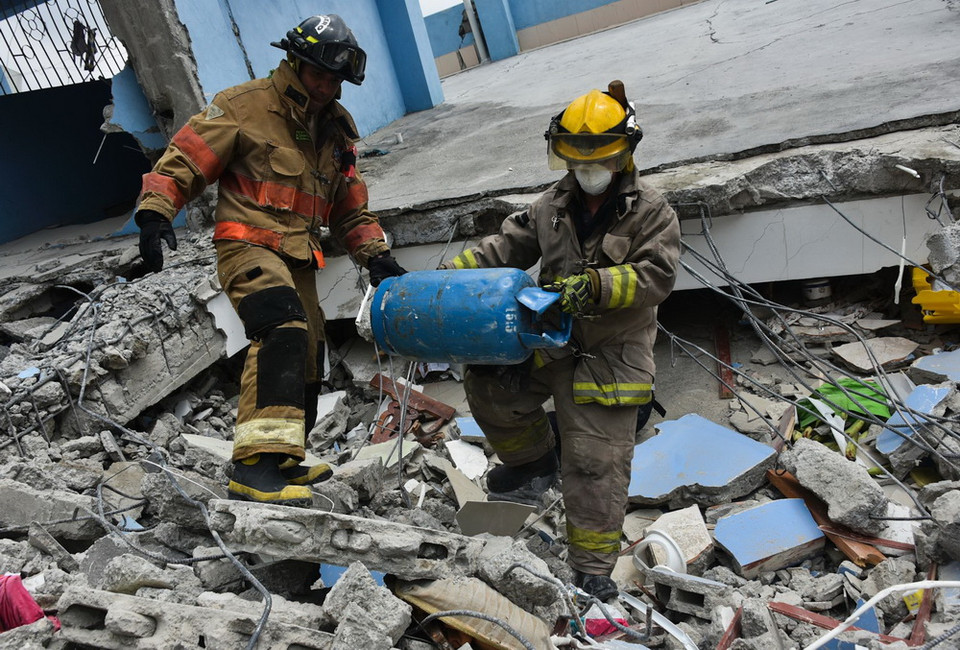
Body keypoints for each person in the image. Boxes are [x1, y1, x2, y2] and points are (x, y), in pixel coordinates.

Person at [134, 14, 406, 507]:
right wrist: (155, 211)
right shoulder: (244, 107)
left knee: (307, 351)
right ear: (295, 62)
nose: (327, 86)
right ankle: (252, 467)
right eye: (319, 75)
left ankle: (285, 457)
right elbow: (186, 159)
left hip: (298, 257)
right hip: (246, 246)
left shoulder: (334, 134)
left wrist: (376, 255)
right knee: (281, 328)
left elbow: (349, 205)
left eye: (336, 79)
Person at [439, 81, 681, 600]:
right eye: (577, 159)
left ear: (625, 154)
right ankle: (533, 464)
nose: (588, 170)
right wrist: (448, 278)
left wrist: (594, 285)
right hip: (551, 340)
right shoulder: (551, 205)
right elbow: (505, 246)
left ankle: (593, 566)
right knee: (489, 385)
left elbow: (655, 277)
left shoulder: (652, 212)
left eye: (599, 159)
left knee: (595, 462)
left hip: (610, 356)